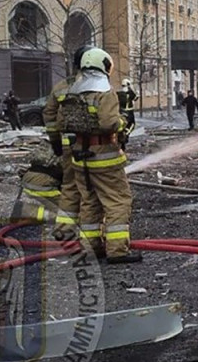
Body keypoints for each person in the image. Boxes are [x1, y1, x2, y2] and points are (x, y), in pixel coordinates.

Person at [60, 47, 140, 264]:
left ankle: (90, 247)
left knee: (90, 202)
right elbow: (109, 123)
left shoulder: (73, 92)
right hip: (105, 157)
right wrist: (124, 122)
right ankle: (117, 250)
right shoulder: (104, 93)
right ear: (103, 66)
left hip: (80, 158)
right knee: (118, 201)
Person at [43, 46, 91, 241]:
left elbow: (49, 114)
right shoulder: (96, 86)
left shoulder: (61, 86)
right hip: (90, 146)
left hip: (66, 146)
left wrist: (55, 140)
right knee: (90, 189)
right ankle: (92, 235)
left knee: (70, 186)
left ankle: (64, 230)